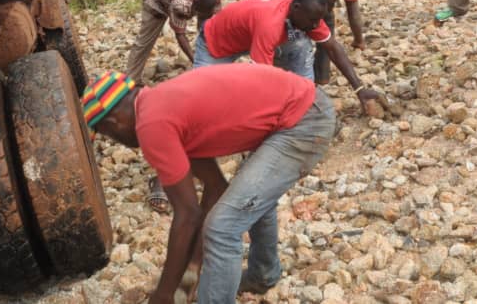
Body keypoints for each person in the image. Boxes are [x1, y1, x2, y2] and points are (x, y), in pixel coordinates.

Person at [82, 65, 335, 303]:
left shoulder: (151, 124)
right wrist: (193, 268)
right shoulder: (163, 104)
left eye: (108, 135)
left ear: (113, 123)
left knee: (222, 227)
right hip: (305, 106)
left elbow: (187, 215)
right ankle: (262, 275)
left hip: (303, 122)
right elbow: (216, 187)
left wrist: (164, 294)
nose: (117, 140)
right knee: (247, 199)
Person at [195, 0, 380, 111]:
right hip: (217, 43)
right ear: (296, 7)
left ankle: (304, 98)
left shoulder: (306, 14)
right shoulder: (270, 24)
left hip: (272, 35)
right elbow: (261, 78)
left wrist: (359, 88)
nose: (315, 25)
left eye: (318, 20)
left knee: (299, 41)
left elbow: (332, 48)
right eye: (312, 20)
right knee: (205, 97)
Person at [276, 0, 365, 83]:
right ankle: (321, 76)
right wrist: (359, 40)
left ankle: (285, 68)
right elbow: (353, 11)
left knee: (288, 22)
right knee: (324, 22)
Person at [125, 0, 220, 84]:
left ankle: (205, 58)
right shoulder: (181, 4)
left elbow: (212, 21)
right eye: (199, 11)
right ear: (194, 2)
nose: (200, 15)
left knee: (206, 27)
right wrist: (195, 61)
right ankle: (131, 79)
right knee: (145, 41)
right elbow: (180, 35)